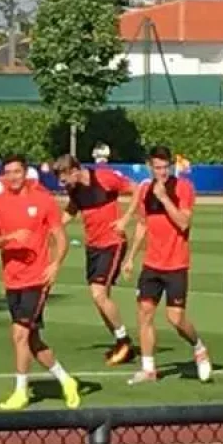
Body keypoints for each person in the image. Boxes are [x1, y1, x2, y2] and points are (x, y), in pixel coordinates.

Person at [0, 153, 80, 411]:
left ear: (25, 172)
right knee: (32, 341)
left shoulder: (43, 200)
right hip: (12, 279)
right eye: (8, 173)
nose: (13, 177)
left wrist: (55, 265)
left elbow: (60, 237)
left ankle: (21, 392)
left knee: (19, 334)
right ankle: (66, 380)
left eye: (17, 171)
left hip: (37, 278)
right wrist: (10, 237)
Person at [123, 145, 212, 384]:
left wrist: (163, 198)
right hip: (151, 264)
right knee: (144, 313)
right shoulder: (145, 190)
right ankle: (148, 369)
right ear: (150, 167)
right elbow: (142, 224)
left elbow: (183, 222)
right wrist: (130, 257)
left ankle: (199, 347)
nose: (162, 172)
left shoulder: (183, 188)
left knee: (175, 318)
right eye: (158, 167)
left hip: (176, 264)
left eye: (166, 167)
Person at [53, 154, 139, 366]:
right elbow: (73, 209)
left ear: (74, 171)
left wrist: (125, 218)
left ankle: (124, 341)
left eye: (64, 179)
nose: (63, 184)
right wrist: (53, 227)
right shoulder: (74, 189)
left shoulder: (104, 178)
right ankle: (121, 342)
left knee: (98, 294)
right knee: (99, 298)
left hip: (112, 243)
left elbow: (137, 190)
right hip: (93, 246)